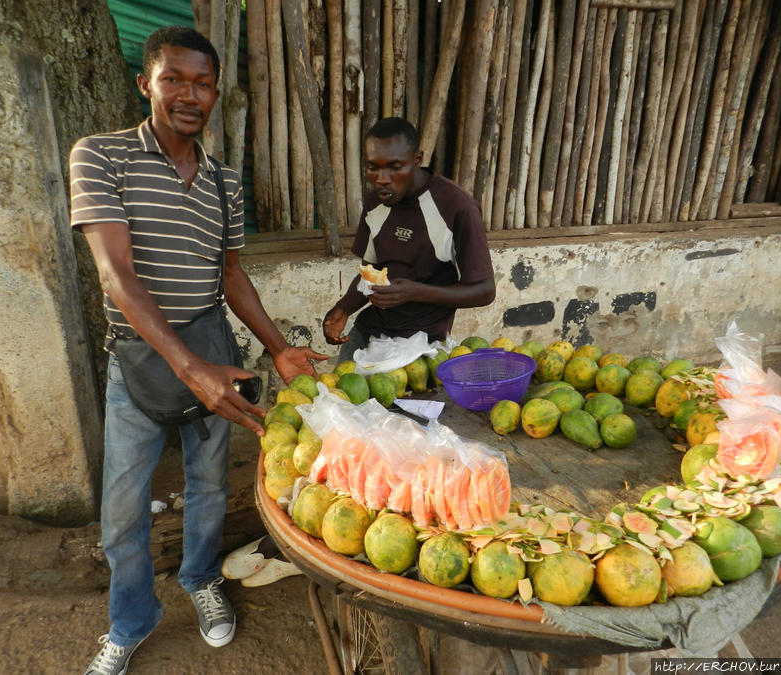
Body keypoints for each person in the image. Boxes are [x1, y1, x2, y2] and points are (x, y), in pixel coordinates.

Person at [69, 25, 326, 675]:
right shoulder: (100, 157)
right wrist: (191, 368)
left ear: (215, 92)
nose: (189, 93)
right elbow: (116, 276)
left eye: (202, 83)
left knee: (210, 486)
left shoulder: (223, 184)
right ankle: (129, 621)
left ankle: (201, 578)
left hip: (214, 339)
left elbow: (231, 273)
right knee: (123, 510)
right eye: (173, 79)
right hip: (140, 360)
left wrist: (276, 349)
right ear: (145, 84)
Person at [323, 117, 496, 360]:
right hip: (367, 335)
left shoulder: (456, 207)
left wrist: (415, 292)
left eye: (395, 167)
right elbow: (370, 271)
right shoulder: (376, 202)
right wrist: (343, 308)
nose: (382, 178)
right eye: (373, 167)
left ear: (417, 160)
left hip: (422, 347)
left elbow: (485, 291)